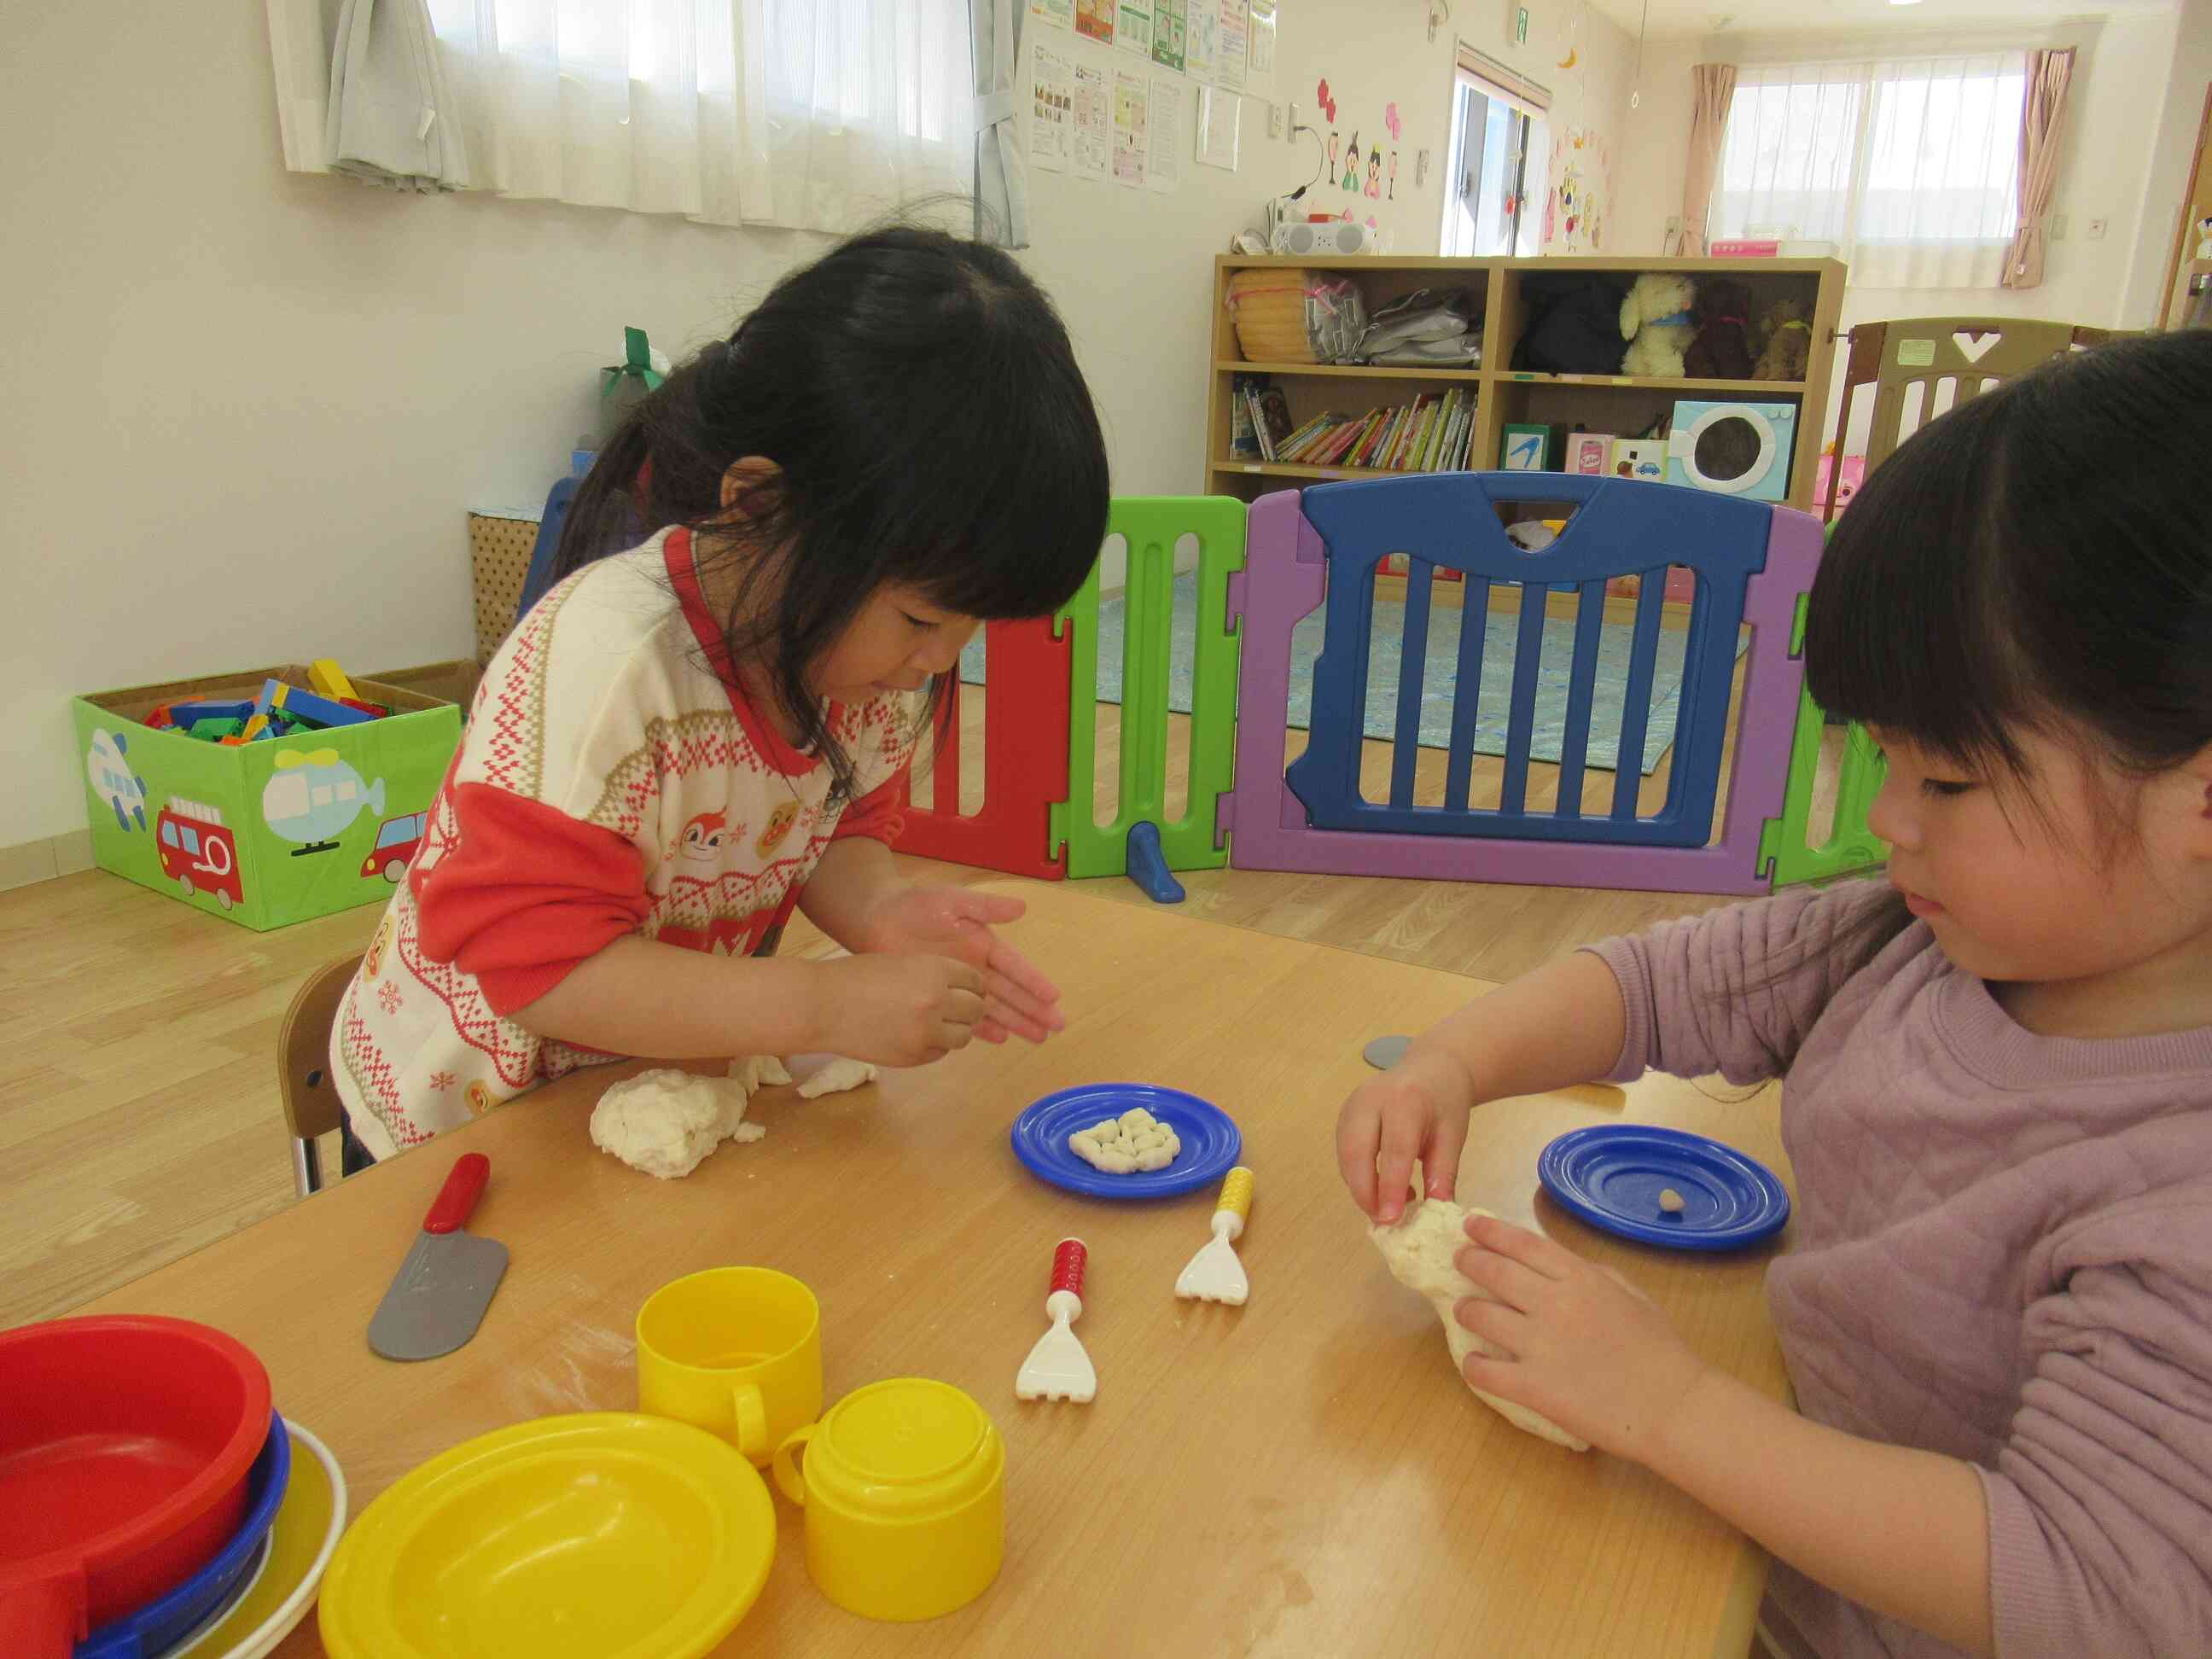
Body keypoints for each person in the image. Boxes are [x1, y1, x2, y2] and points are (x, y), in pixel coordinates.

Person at [1336, 329, 2212, 1656]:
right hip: (1734, 1546)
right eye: (1884, 763)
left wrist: (1673, 1410)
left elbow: (2085, 1590)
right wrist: (1452, 1061)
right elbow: (1653, 983)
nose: (1888, 820)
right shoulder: (1906, 943)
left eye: (1949, 783)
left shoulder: (2177, 1188)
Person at [334, 224, 1109, 1167]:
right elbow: (538, 968)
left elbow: (834, 828)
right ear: (759, 507)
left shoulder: (861, 664)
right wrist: (822, 1006)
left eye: (968, 629)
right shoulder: (610, 664)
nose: (941, 664)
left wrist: (880, 915)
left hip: (635, 1082)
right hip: (461, 1126)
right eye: (921, 621)